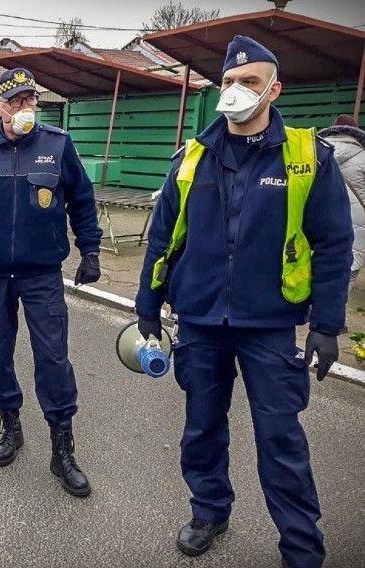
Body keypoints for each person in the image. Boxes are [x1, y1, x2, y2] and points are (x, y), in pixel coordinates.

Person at [134, 36, 351, 567]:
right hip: (201, 320)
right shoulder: (191, 158)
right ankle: (209, 510)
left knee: (281, 438)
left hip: (269, 324)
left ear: (273, 90)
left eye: (248, 81)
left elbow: (334, 243)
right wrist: (146, 302)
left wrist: (327, 323)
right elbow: (163, 235)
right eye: (228, 82)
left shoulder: (307, 156)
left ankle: (300, 543)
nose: (235, 90)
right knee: (202, 426)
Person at [0, 68, 102, 497]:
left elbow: (83, 202)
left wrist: (90, 251)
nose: (27, 108)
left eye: (31, 99)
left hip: (42, 276)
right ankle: (10, 426)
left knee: (53, 357)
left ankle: (62, 447)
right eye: (17, 101)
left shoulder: (57, 145)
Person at [318, 114, 365, 291]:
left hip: (321, 224)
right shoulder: (363, 156)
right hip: (356, 229)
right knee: (346, 282)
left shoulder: (316, 152)